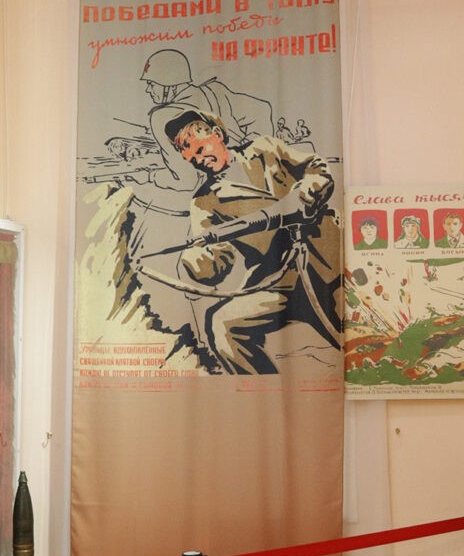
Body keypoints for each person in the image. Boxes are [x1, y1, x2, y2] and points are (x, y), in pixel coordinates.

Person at [162, 109, 340, 373]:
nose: (199, 161)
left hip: (325, 259)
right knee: (222, 325)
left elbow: (315, 167)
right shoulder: (204, 202)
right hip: (277, 282)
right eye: (192, 159)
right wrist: (198, 261)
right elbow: (216, 262)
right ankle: (262, 389)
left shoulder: (264, 149)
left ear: (217, 134)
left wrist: (311, 186)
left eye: (200, 150)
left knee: (357, 338)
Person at [142, 49, 276, 189]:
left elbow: (186, 181)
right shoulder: (214, 92)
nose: (148, 90)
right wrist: (251, 154)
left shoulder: (161, 117)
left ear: (170, 85)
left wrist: (151, 176)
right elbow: (262, 109)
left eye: (151, 84)